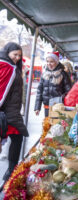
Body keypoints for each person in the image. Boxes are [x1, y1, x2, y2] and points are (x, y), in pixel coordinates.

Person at [0, 42, 29, 184]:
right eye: (15, 54)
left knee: (17, 138)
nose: (17, 57)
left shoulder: (9, 66)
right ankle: (11, 171)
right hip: (8, 113)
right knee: (17, 138)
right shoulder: (7, 67)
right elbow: (2, 92)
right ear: (7, 53)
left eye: (19, 55)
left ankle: (11, 171)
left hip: (11, 112)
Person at [34, 52, 72, 117]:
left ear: (57, 62)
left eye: (52, 62)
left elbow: (69, 91)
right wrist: (37, 107)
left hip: (59, 107)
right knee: (47, 125)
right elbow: (39, 91)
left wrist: (60, 99)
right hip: (47, 107)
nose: (49, 64)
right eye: (47, 61)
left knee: (57, 125)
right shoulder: (44, 74)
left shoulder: (63, 74)